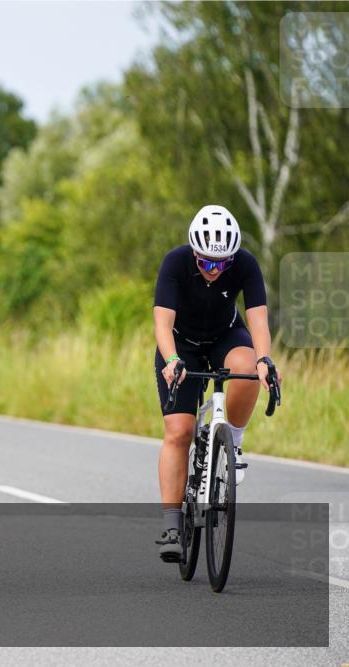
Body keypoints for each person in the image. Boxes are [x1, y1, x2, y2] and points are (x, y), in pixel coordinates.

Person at [152, 204, 281, 562]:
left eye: (222, 264)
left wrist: (264, 360)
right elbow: (163, 323)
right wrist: (172, 360)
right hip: (181, 345)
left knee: (248, 366)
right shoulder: (175, 262)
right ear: (194, 252)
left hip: (226, 335)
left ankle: (233, 442)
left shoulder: (246, 264)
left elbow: (258, 321)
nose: (213, 270)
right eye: (206, 262)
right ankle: (172, 526)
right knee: (179, 431)